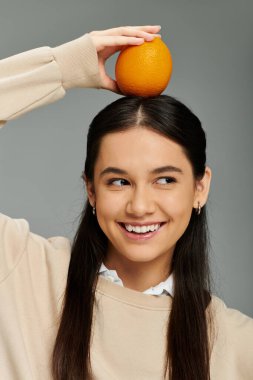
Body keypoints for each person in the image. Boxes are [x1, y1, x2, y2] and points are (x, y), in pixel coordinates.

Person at [0, 25, 252, 380]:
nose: (139, 206)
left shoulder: (240, 346)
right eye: (119, 181)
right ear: (91, 189)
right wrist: (64, 68)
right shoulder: (22, 269)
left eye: (164, 180)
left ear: (200, 188)